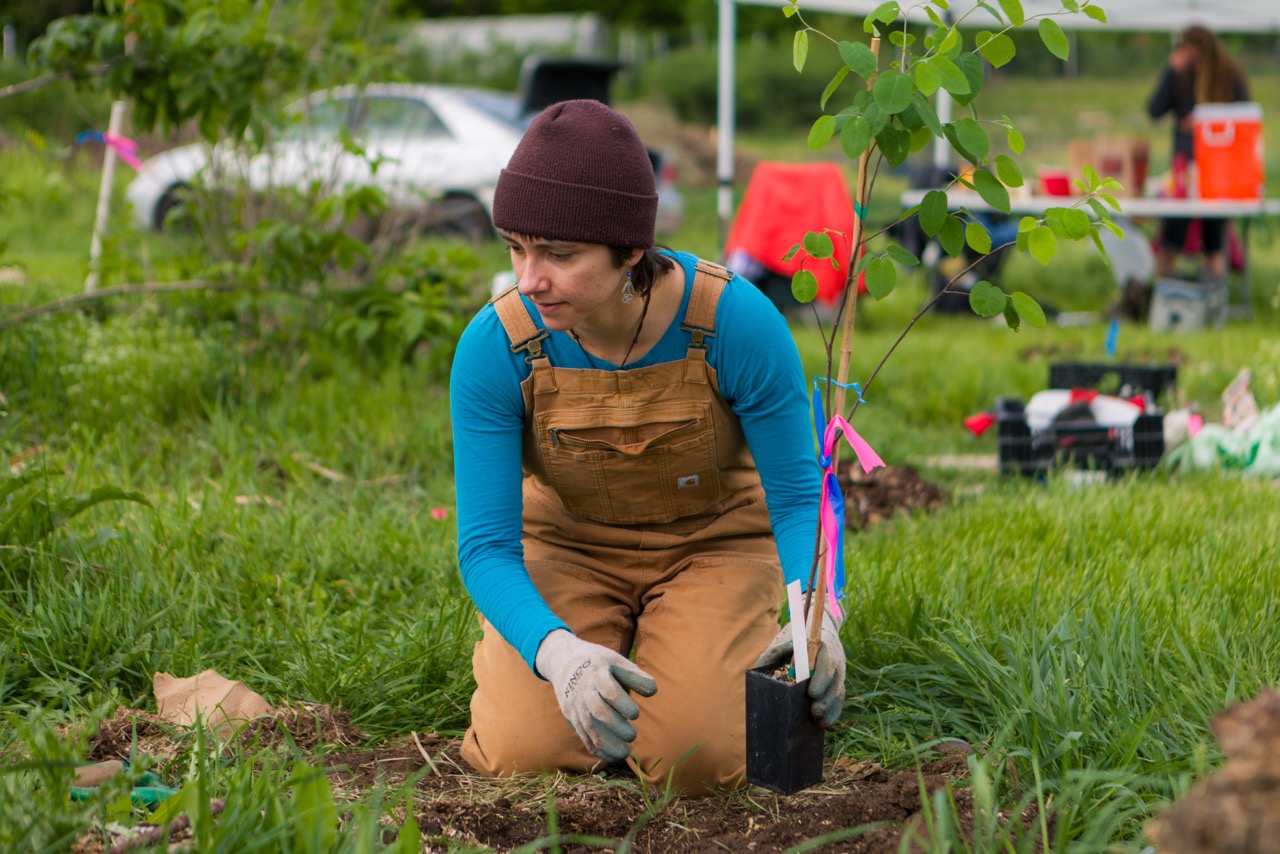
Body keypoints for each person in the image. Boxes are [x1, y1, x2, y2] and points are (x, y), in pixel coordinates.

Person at [448, 99, 843, 795]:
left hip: (710, 547)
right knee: (519, 752)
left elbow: (797, 493)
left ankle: (671, 670)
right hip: (566, 549)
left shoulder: (735, 323)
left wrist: (820, 611)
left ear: (631, 249)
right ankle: (597, 660)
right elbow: (485, 546)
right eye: (515, 248)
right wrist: (557, 652)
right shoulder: (496, 348)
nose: (528, 278)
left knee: (698, 761)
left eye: (558, 255)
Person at [1146, 24, 1249, 282]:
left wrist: (1205, 124)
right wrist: (1171, 70)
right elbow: (1154, 110)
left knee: (1213, 238)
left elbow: (1245, 120)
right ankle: (1164, 297)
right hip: (1185, 170)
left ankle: (1215, 301)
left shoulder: (1229, 75)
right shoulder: (1182, 76)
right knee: (1172, 234)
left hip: (1216, 171)